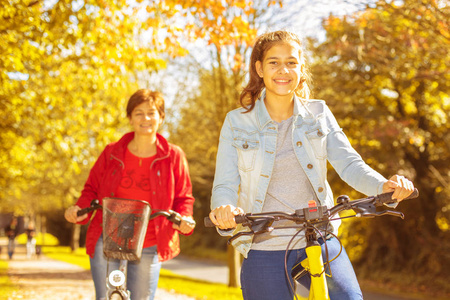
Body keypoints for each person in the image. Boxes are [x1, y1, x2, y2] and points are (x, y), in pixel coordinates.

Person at [208, 30, 415, 300]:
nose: (283, 70)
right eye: (274, 62)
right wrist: (224, 209)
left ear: (301, 68)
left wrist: (383, 186)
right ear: (259, 68)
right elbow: (225, 184)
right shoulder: (237, 122)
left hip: (318, 234)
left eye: (291, 62)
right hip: (264, 243)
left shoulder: (319, 113)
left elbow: (349, 164)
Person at [64, 89, 196, 300]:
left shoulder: (173, 156)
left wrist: (185, 217)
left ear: (161, 118)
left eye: (152, 113)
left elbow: (183, 197)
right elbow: (91, 189)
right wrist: (80, 209)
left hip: (150, 239)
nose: (146, 118)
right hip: (108, 237)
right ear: (130, 118)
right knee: (106, 296)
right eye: (139, 113)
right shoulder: (111, 152)